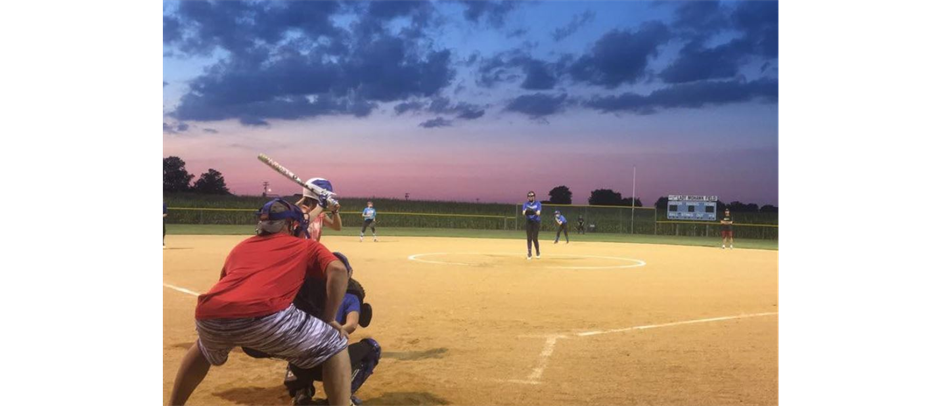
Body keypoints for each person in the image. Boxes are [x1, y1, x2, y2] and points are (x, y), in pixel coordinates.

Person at [167, 199, 352, 406]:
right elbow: (338, 270)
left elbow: (227, 282)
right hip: (266, 317)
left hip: (209, 316)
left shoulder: (241, 247)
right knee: (335, 343)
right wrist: (328, 318)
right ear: (292, 225)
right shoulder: (305, 245)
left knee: (203, 347)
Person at [296, 178, 342, 242]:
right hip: (300, 251)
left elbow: (337, 227)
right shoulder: (300, 210)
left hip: (313, 250)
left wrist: (335, 211)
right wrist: (320, 206)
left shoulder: (320, 215)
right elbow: (304, 221)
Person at [522, 191, 542, 259]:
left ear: (534, 197)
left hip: (536, 222)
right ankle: (529, 253)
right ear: (528, 197)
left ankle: (537, 251)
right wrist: (530, 211)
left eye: (532, 196)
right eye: (529, 196)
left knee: (535, 238)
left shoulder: (538, 203)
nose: (531, 197)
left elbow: (538, 213)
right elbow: (523, 212)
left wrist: (531, 211)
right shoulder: (525, 204)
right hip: (529, 222)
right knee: (529, 238)